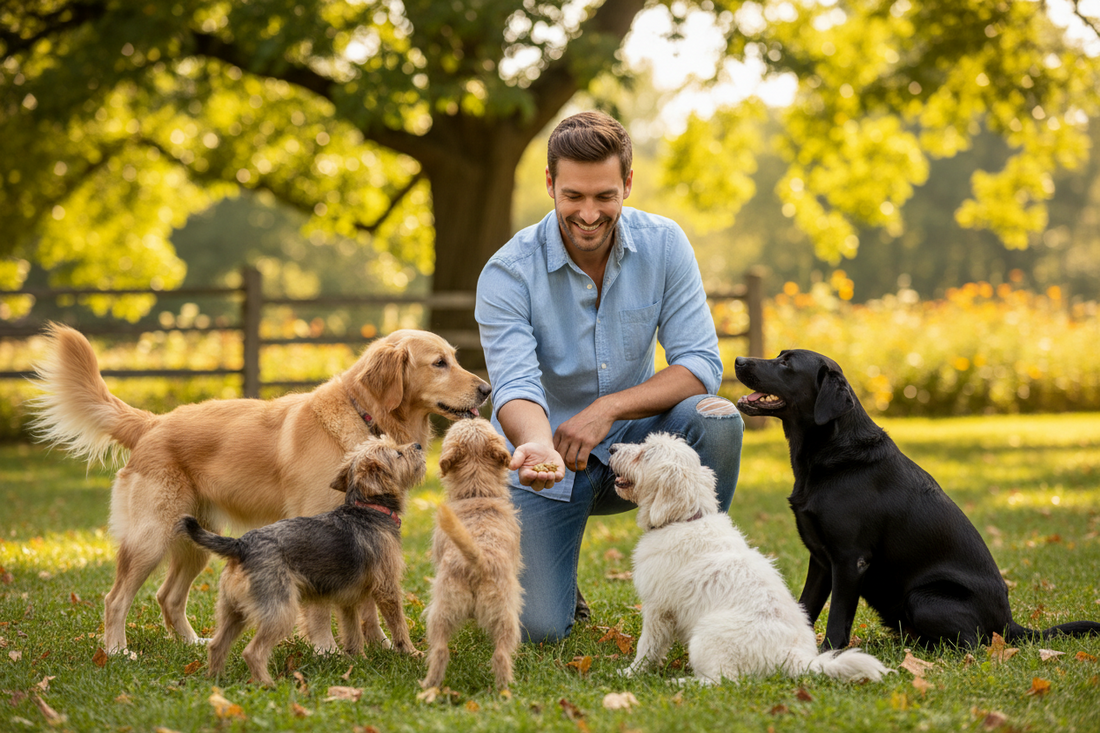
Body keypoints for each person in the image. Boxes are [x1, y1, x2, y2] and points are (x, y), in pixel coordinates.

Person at [475, 111, 744, 642]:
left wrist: (607, 410)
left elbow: (701, 364)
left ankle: (702, 581)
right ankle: (550, 569)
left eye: (604, 196)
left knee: (716, 418)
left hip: (637, 449)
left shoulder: (665, 245)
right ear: (550, 184)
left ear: (627, 185)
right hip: (549, 460)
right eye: (573, 196)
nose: (589, 213)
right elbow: (515, 384)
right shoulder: (508, 272)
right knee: (540, 629)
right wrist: (536, 445)